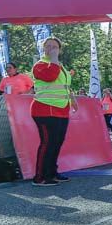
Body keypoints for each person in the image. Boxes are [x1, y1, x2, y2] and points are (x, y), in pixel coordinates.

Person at [31, 37, 77, 186]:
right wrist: (54, 59)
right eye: (48, 46)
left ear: (60, 50)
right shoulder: (40, 65)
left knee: (57, 143)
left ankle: (51, 172)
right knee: (47, 143)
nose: (51, 49)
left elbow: (65, 86)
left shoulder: (60, 67)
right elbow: (50, 76)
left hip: (61, 109)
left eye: (55, 47)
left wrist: (73, 100)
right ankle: (40, 177)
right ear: (43, 49)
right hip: (44, 109)